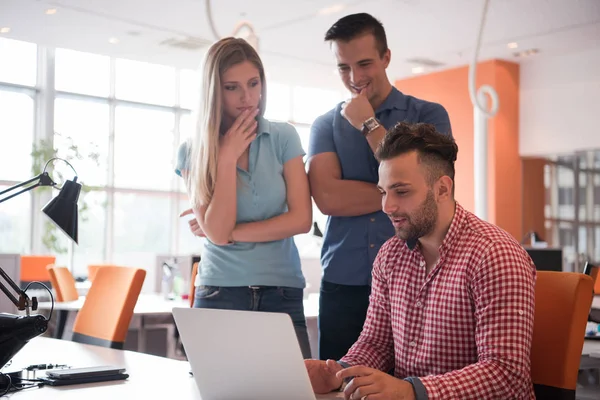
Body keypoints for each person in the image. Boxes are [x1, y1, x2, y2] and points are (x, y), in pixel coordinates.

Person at [305, 122, 536, 400]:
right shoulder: (390, 255)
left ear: (441, 189)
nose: (387, 207)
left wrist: (411, 391)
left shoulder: (494, 254)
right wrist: (340, 374)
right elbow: (376, 344)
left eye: (401, 191)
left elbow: (506, 374)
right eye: (383, 192)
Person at [307, 13, 453, 361]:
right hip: (343, 281)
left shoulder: (429, 116)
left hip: (415, 278)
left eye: (364, 64)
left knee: (403, 384)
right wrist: (405, 192)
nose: (355, 78)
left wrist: (368, 124)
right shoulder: (325, 125)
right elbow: (327, 199)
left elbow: (431, 187)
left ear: (386, 57)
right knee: (338, 384)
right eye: (343, 67)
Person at [176, 37, 313, 359]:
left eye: (254, 83)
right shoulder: (192, 151)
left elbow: (301, 220)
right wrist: (225, 158)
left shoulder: (283, 137)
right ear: (214, 92)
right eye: (232, 87)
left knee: (296, 392)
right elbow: (217, 233)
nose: (247, 97)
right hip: (219, 291)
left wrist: (228, 233)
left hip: (282, 289)